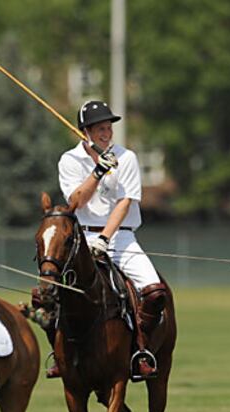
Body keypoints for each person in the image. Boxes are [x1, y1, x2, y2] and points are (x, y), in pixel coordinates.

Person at [43, 99, 166, 380]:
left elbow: (125, 202)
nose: (106, 133)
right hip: (81, 238)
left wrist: (105, 238)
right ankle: (61, 355)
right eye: (99, 128)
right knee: (47, 296)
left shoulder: (127, 157)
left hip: (121, 238)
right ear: (85, 131)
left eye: (108, 127)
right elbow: (75, 202)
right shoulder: (69, 160)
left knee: (153, 291)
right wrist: (97, 173)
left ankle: (140, 351)